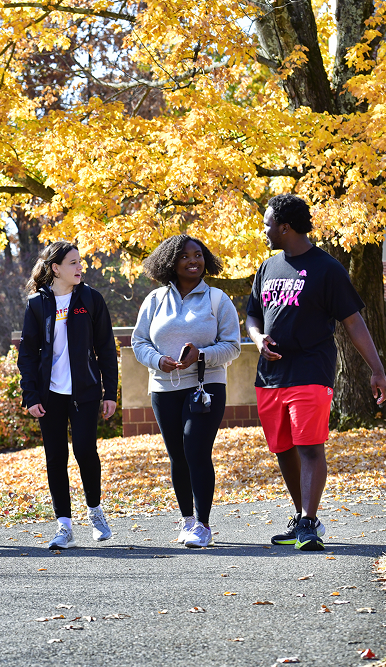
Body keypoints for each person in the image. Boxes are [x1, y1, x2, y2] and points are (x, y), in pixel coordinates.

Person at [246, 194, 386, 551]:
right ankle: (302, 519)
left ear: (285, 227)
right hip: (269, 376)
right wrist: (258, 338)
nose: (263, 230)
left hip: (311, 369)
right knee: (283, 449)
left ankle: (309, 521)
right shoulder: (267, 268)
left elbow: (354, 322)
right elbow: (252, 316)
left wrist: (377, 369)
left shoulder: (327, 268)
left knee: (309, 446)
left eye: (267, 224)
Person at [132, 236, 241, 548]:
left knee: (195, 449)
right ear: (171, 263)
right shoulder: (154, 300)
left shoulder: (218, 300)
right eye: (185, 256)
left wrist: (201, 355)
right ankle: (187, 521)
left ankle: (203, 525)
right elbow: (140, 342)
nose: (194, 261)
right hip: (163, 388)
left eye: (199, 255)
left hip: (206, 387)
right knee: (177, 456)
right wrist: (158, 360)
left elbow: (232, 346)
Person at [17, 242, 119, 550]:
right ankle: (64, 526)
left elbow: (105, 349)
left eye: (80, 262)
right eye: (73, 263)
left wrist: (109, 392)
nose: (79, 267)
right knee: (55, 458)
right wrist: (31, 395)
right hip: (50, 396)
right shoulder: (37, 304)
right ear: (56, 268)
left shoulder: (90, 299)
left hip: (85, 392)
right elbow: (28, 355)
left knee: (86, 451)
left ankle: (95, 510)